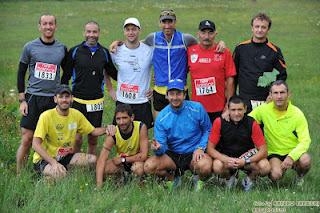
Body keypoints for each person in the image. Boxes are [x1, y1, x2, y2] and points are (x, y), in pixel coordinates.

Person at [110, 9, 225, 117]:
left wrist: (220, 42)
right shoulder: (153, 38)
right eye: (164, 22)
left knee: (182, 127)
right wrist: (118, 43)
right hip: (160, 91)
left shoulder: (185, 39)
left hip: (180, 90)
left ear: (175, 22)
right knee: (160, 127)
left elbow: (203, 45)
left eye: (170, 22)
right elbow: (135, 44)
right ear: (159, 23)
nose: (167, 25)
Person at [16, 14, 67, 173]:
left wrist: (61, 92)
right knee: (27, 139)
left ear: (55, 26)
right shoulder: (29, 47)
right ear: (39, 26)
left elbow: (66, 73)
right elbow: (21, 72)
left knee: (51, 139)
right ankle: (20, 175)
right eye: (44, 24)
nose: (48, 27)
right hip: (33, 98)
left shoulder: (62, 48)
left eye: (51, 24)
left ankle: (46, 169)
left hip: (53, 100)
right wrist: (22, 100)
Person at [144, 79, 212, 191]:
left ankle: (198, 179)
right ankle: (172, 178)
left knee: (206, 166)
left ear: (184, 95)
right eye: (171, 94)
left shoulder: (197, 108)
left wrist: (200, 148)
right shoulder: (161, 117)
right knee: (149, 166)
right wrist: (157, 149)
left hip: (193, 152)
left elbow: (207, 130)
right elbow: (161, 145)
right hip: (172, 154)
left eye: (178, 93)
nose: (175, 97)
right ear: (166, 96)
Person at [32, 85, 112, 179]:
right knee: (61, 175)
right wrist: (53, 163)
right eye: (61, 97)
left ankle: (72, 173)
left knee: (93, 159)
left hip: (65, 156)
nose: (64, 100)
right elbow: (35, 144)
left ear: (72, 99)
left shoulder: (76, 114)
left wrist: (108, 128)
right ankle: (42, 176)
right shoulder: (46, 116)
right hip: (45, 159)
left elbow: (93, 131)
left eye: (67, 96)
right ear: (55, 99)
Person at [61, 21, 117, 155]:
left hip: (96, 102)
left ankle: (90, 164)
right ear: (84, 33)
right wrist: (63, 97)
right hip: (77, 101)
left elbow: (114, 74)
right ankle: (74, 163)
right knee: (77, 137)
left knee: (93, 137)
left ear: (99, 33)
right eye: (89, 32)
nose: (91, 35)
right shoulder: (74, 51)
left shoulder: (104, 52)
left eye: (94, 32)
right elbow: (65, 77)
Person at [250, 80, 311, 185]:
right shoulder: (263, 109)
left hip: (293, 151)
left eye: (282, 92)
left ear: (289, 94)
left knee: (305, 160)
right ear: (270, 95)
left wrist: (291, 157)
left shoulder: (297, 113)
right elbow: (246, 122)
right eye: (276, 93)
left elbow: (305, 140)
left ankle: (299, 177)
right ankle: (272, 176)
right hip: (274, 153)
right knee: (276, 175)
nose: (279, 96)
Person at [207, 96, 270, 191]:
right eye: (233, 110)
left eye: (240, 109)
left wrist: (246, 161)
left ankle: (249, 180)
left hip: (246, 158)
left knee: (265, 166)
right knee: (217, 166)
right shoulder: (219, 122)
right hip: (227, 158)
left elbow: (264, 150)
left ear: (245, 109)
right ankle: (229, 178)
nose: (236, 113)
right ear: (228, 110)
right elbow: (210, 149)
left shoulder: (251, 123)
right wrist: (226, 159)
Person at [233, 13, 287, 112]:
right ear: (252, 28)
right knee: (247, 127)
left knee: (265, 127)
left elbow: (282, 76)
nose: (259, 30)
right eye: (257, 26)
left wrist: (272, 95)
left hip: (266, 100)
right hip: (245, 99)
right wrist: (233, 98)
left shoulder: (274, 51)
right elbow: (233, 75)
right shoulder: (240, 48)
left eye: (263, 27)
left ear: (268, 29)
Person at [188, 20, 236, 123]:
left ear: (215, 34)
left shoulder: (224, 52)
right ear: (198, 34)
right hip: (197, 109)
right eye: (203, 32)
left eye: (210, 33)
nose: (207, 36)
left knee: (218, 138)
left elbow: (230, 81)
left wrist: (228, 106)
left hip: (219, 109)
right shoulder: (190, 51)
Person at [109, 18, 154, 129]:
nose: (131, 32)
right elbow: (106, 69)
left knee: (142, 135)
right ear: (124, 32)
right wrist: (110, 90)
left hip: (142, 101)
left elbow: (162, 67)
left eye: (134, 29)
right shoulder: (116, 50)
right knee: (120, 135)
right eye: (128, 29)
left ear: (139, 31)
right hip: (123, 101)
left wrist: (155, 88)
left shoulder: (149, 50)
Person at [96, 104, 149, 188]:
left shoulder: (141, 127)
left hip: (136, 161)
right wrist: (99, 185)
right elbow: (102, 159)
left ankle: (139, 186)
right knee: (105, 169)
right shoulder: (113, 132)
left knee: (138, 169)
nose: (121, 122)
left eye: (124, 118)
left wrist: (123, 159)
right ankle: (121, 180)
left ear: (132, 118)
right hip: (121, 163)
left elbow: (143, 155)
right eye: (118, 119)